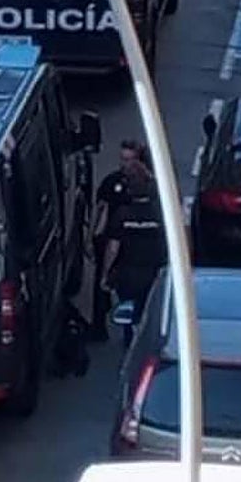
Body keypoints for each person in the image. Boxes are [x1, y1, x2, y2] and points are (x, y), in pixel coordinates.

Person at [101, 162, 166, 347]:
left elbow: (113, 247)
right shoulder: (159, 214)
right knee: (150, 308)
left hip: (128, 272)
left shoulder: (123, 214)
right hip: (154, 272)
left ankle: (130, 338)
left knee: (128, 310)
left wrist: (106, 273)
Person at [90, 140, 149, 341]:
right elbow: (102, 209)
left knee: (130, 288)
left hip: (133, 243)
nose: (125, 164)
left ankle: (129, 328)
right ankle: (99, 325)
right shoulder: (110, 182)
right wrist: (94, 236)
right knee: (101, 285)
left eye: (130, 160)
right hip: (111, 238)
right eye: (122, 159)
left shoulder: (143, 184)